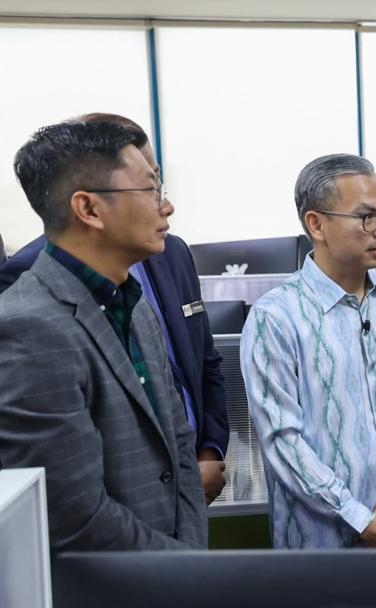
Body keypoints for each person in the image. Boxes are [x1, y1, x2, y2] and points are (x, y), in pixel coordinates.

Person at [0, 113, 229, 504]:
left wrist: (200, 468)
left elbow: (194, 379)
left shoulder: (136, 301)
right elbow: (71, 500)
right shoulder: (24, 317)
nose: (167, 206)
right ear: (89, 209)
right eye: (149, 188)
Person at [241, 153, 376, 549]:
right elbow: (283, 441)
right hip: (322, 545)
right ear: (316, 224)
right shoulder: (276, 317)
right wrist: (361, 519)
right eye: (366, 217)